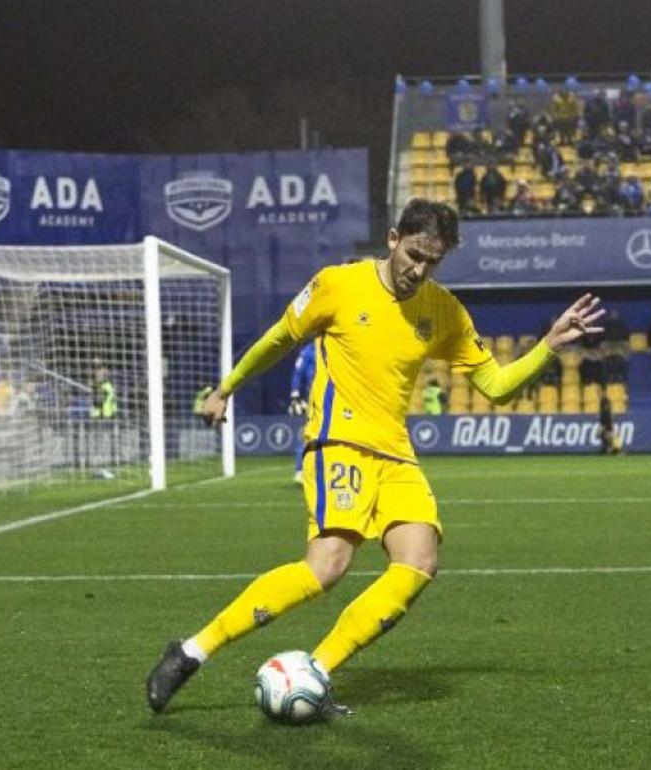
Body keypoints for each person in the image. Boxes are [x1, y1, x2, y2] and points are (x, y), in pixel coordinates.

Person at [145, 199, 605, 714]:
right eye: (413, 254)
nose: (419, 269)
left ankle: (314, 672)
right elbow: (279, 338)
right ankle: (190, 652)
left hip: (395, 455)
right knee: (327, 568)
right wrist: (226, 387)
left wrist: (548, 345)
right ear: (392, 239)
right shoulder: (338, 285)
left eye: (433, 261)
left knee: (419, 561)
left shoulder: (443, 310)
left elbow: (495, 386)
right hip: (337, 442)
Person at [288, 343, 316, 483]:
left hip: (336, 397)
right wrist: (295, 396)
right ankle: (300, 470)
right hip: (313, 398)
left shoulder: (335, 345)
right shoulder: (308, 351)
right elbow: (298, 373)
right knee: (307, 433)